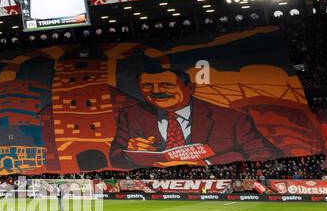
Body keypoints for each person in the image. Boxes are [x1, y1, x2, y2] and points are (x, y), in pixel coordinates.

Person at [110, 63, 277, 169]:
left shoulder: (231, 119)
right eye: (147, 85)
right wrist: (129, 152)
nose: (156, 91)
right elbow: (116, 157)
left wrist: (205, 164)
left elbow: (264, 153)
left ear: (190, 88)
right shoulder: (131, 115)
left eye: (166, 85)